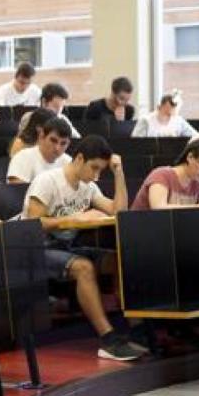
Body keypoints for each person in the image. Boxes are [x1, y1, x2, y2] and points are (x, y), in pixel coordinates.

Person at [21, 135, 141, 361]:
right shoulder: (48, 180)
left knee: (115, 259)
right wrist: (74, 219)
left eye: (101, 171)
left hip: (65, 247)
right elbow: (32, 225)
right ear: (79, 158)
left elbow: (118, 211)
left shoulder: (89, 187)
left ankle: (136, 328)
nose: (96, 175)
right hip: (33, 248)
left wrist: (118, 173)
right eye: (94, 168)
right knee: (84, 267)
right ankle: (108, 338)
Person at [132, 138, 199, 209]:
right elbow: (158, 208)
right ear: (190, 157)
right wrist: (197, 208)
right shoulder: (161, 175)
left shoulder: (197, 185)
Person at [7, 117, 73, 183]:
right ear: (41, 137)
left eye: (63, 143)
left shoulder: (68, 162)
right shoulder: (22, 157)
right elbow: (16, 190)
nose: (57, 148)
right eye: (53, 141)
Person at [131, 94, 196, 138]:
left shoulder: (179, 121)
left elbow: (196, 136)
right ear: (160, 106)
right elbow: (136, 143)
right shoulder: (146, 120)